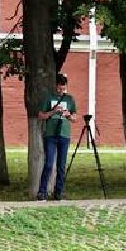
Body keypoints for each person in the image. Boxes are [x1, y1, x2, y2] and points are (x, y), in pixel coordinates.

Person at [36, 73, 77, 201]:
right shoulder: (49, 98)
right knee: (48, 164)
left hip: (64, 134)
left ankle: (58, 192)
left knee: (61, 165)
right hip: (51, 134)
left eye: (63, 88)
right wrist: (53, 111)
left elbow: (75, 118)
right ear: (56, 86)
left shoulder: (69, 99)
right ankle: (42, 191)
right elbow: (41, 115)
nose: (61, 90)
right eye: (60, 88)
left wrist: (68, 115)